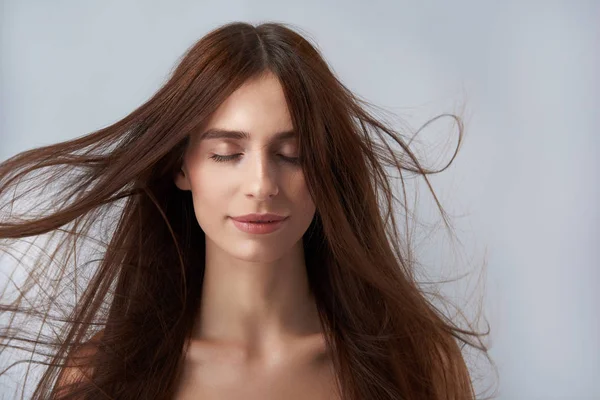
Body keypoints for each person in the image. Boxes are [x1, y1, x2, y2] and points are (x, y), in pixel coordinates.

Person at [0, 21, 493, 399]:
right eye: (226, 154)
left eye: (292, 154)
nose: (261, 185)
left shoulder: (417, 364)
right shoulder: (100, 374)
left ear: (327, 170)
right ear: (181, 166)